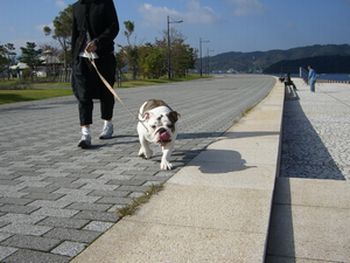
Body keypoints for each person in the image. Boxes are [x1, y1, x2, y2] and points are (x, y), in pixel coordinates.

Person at [71, 0, 119, 148]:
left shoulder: (105, 3)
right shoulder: (76, 6)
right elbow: (75, 34)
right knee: (83, 95)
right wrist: (73, 59)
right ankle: (85, 134)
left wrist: (98, 42)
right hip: (82, 59)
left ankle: (108, 124)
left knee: (106, 93)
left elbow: (114, 27)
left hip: (104, 57)